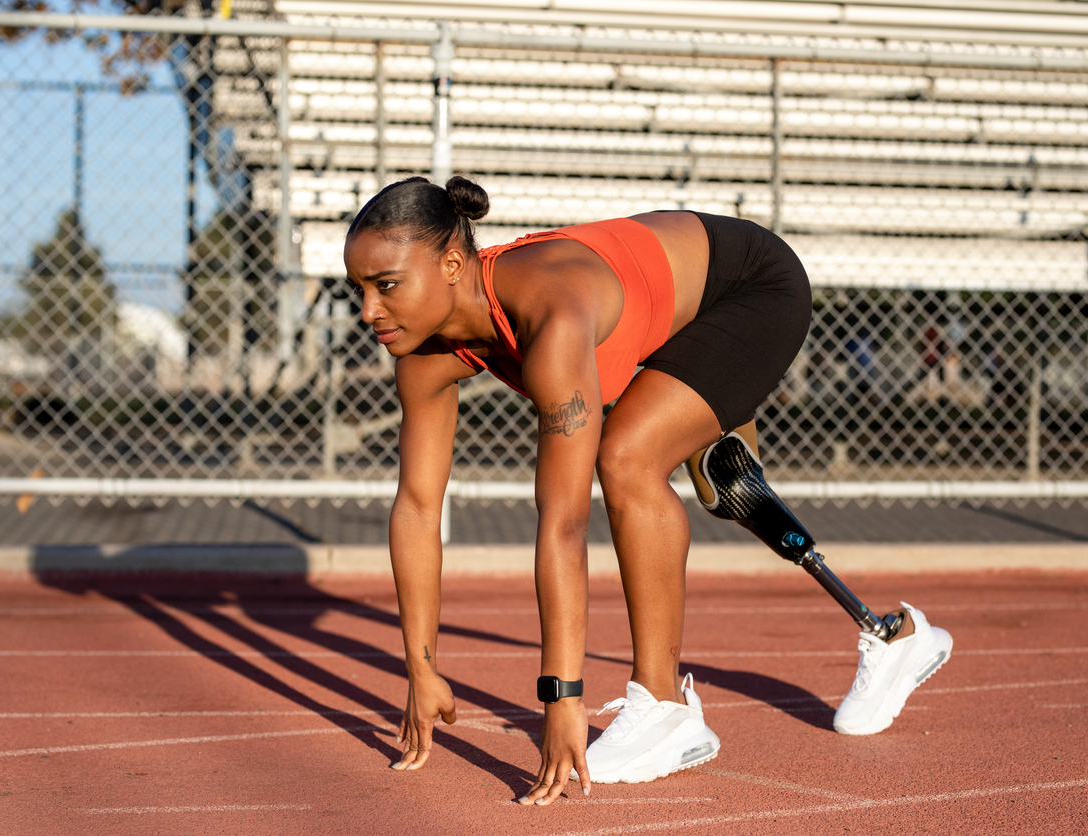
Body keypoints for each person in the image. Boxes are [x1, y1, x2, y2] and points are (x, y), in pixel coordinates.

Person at [343, 175, 951, 806]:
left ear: (449, 263)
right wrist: (420, 669)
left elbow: (562, 522)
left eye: (386, 285)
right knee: (723, 483)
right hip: (666, 309)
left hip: (749, 289)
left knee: (628, 458)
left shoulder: (550, 315)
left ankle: (665, 708)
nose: (368, 311)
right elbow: (417, 507)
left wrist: (561, 697)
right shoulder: (421, 353)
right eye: (357, 289)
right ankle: (898, 635)